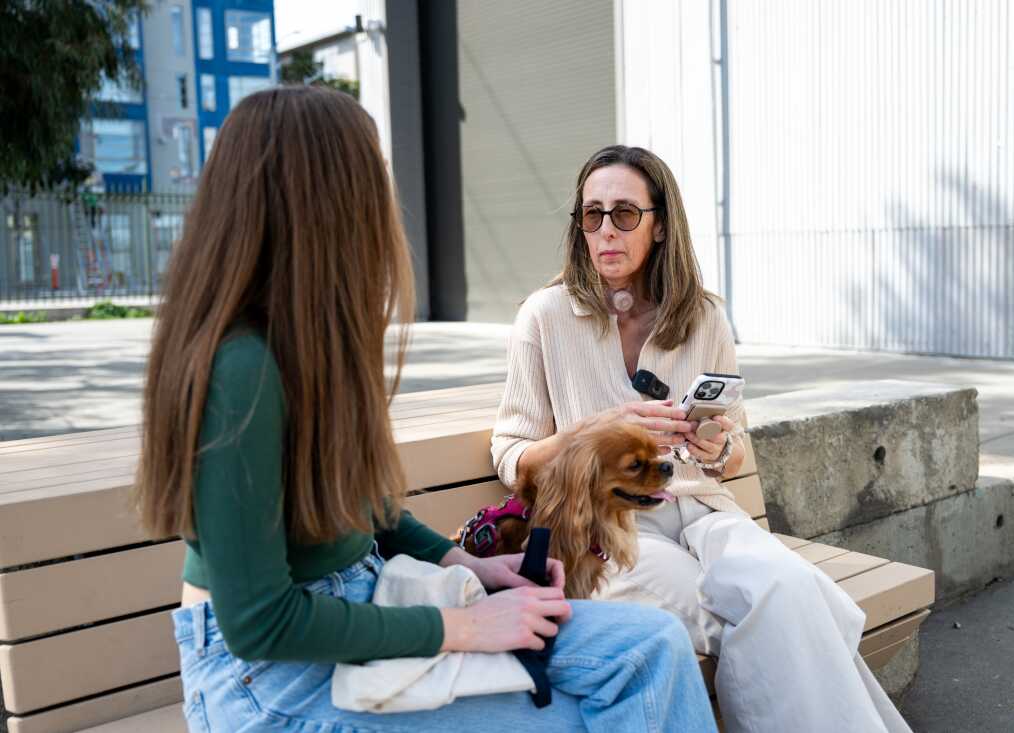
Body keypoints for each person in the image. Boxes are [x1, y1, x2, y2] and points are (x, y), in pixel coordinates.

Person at [133, 88, 715, 733]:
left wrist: (470, 566)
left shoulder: (311, 340)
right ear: (321, 202)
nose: (385, 202)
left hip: (365, 609)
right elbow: (261, 623)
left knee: (652, 647)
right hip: (272, 681)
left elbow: (366, 512)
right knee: (581, 715)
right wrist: (466, 625)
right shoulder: (238, 370)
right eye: (372, 176)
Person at [491, 144, 914, 733]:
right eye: (592, 215)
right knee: (761, 621)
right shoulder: (544, 316)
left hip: (702, 510)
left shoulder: (704, 316)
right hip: (609, 525)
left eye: (625, 213)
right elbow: (511, 453)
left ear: (660, 225)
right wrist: (594, 429)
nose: (606, 230)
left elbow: (731, 442)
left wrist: (717, 446)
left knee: (788, 589)